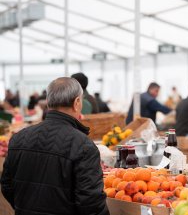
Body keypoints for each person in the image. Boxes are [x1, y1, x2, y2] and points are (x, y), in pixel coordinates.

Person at [0, 77, 109, 215]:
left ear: (48, 102)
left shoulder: (18, 138)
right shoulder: (83, 146)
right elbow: (91, 203)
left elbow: (6, 185)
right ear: (77, 103)